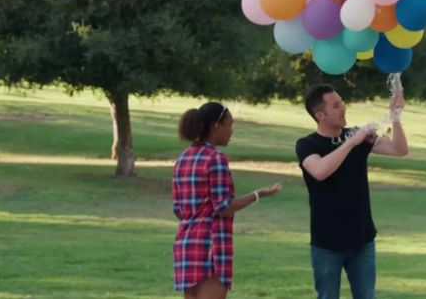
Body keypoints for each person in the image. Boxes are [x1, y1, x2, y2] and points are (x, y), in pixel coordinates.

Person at [295, 84, 409, 299]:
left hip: (362, 241)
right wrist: (351, 142)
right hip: (327, 245)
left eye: (342, 103)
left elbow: (399, 150)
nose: (343, 108)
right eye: (336, 106)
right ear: (320, 115)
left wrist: (396, 117)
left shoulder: (357, 136)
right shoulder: (307, 145)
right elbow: (320, 171)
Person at [172, 102, 281, 299]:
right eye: (229, 125)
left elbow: (178, 209)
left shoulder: (183, 158)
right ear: (216, 127)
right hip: (211, 246)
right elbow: (223, 207)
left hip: (186, 245)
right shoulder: (216, 159)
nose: (232, 131)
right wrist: (258, 194)